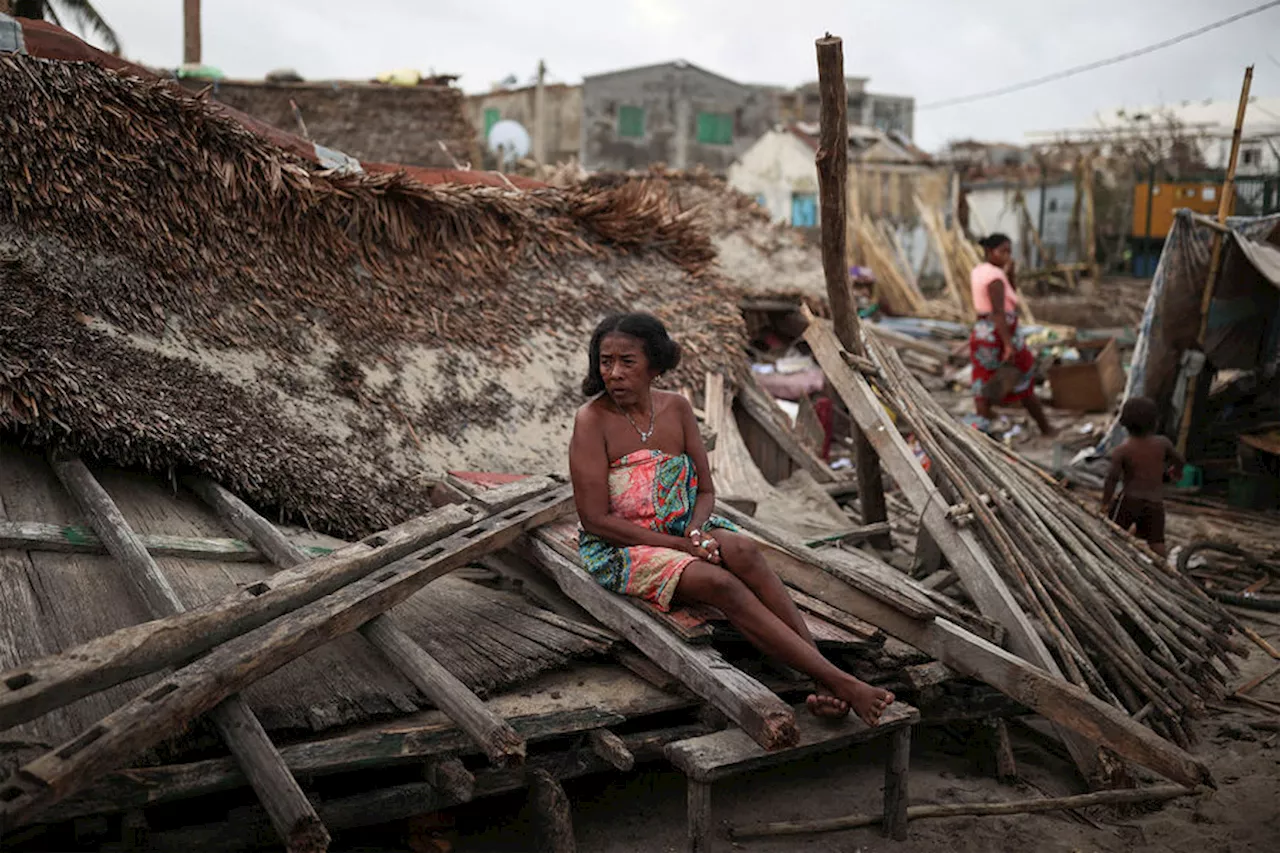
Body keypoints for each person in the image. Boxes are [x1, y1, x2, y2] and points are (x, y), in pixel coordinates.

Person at [568, 312, 894, 725]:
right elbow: (594, 519)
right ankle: (838, 680)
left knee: (744, 550)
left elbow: (705, 491)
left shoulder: (678, 408)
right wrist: (679, 547)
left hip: (680, 531)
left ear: (655, 364)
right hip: (622, 548)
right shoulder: (591, 421)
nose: (613, 372)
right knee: (721, 584)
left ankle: (821, 679)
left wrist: (695, 530)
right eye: (605, 361)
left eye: (626, 361)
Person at [970, 233, 1055, 436]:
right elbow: (999, 311)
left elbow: (1007, 297)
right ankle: (1046, 428)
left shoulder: (980, 271)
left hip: (983, 333)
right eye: (1003, 251)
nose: (1007, 256)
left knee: (983, 381)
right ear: (991, 252)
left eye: (1009, 251)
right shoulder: (995, 278)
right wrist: (1008, 344)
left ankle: (983, 427)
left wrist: (1011, 274)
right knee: (1024, 372)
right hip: (1000, 333)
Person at [1101, 397, 1184, 557]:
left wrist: (1105, 503)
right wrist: (1176, 472)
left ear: (1123, 423)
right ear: (1155, 422)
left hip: (1130, 501)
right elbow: (1179, 460)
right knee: (1157, 542)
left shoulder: (1123, 450)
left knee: (1112, 534)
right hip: (1155, 503)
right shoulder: (1163, 443)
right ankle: (1165, 570)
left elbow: (1112, 478)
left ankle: (1112, 560)